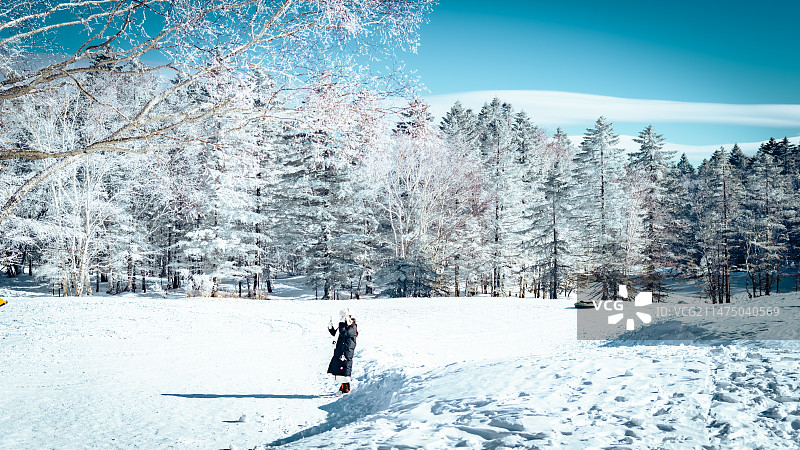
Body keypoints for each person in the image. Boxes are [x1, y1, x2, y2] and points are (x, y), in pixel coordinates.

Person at [327, 308, 358, 393]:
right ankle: (342, 388)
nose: (342, 318)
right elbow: (337, 334)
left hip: (346, 351)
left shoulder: (352, 326)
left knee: (345, 370)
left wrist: (341, 323)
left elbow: (344, 333)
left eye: (343, 317)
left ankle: (346, 389)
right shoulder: (345, 325)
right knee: (339, 369)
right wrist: (331, 328)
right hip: (340, 349)